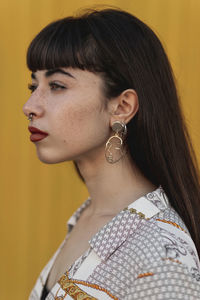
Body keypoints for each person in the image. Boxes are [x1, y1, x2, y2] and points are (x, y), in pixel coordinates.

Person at [23, 7, 200, 300]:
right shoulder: (88, 217)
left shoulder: (160, 251)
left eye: (56, 86)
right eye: (33, 85)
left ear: (122, 107)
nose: (29, 106)